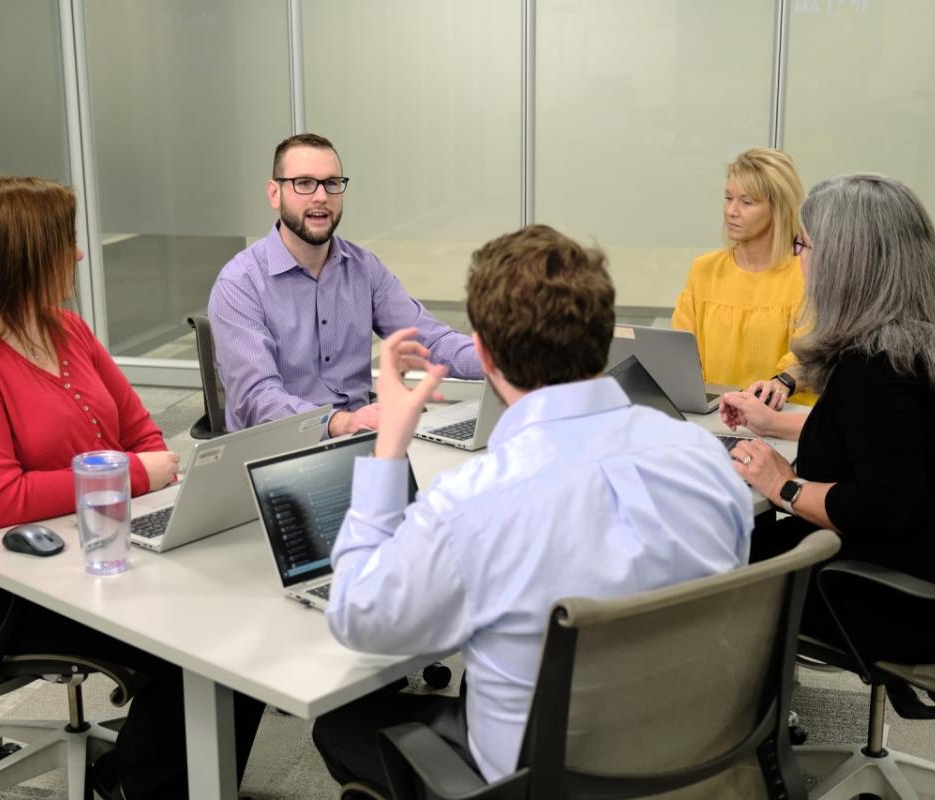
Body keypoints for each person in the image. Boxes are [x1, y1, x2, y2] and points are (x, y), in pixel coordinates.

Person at [311, 224, 753, 791]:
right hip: (694, 754)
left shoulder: (472, 505)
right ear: (605, 335)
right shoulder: (705, 459)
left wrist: (388, 449)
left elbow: (356, 616)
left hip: (544, 782)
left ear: (485, 355)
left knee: (339, 724)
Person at [0, 176, 263, 800]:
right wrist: (128, 476)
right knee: (200, 646)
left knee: (244, 615)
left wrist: (136, 473)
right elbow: (0, 502)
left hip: (92, 547)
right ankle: (141, 786)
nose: (79, 253)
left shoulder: (64, 329)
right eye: (66, 241)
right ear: (22, 256)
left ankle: (153, 777)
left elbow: (144, 435)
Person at [720, 173, 935, 663]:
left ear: (843, 264)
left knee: (713, 551)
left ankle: (733, 718)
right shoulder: (934, 339)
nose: (798, 257)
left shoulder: (875, 365)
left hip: (898, 601)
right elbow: (883, 444)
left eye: (802, 244)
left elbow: (879, 505)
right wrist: (772, 427)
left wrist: (783, 485)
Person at [208, 132, 483, 435]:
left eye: (331, 183)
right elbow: (256, 398)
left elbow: (430, 342)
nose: (321, 197)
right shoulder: (239, 283)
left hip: (360, 439)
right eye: (303, 183)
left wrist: (506, 360)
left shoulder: (364, 267)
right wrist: (340, 423)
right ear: (274, 194)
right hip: (279, 453)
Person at [672, 147, 814, 408]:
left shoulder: (806, 275)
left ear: (779, 209)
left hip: (785, 422)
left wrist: (781, 383)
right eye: (728, 198)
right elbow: (679, 352)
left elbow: (812, 357)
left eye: (746, 202)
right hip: (716, 419)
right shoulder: (704, 270)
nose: (731, 211)